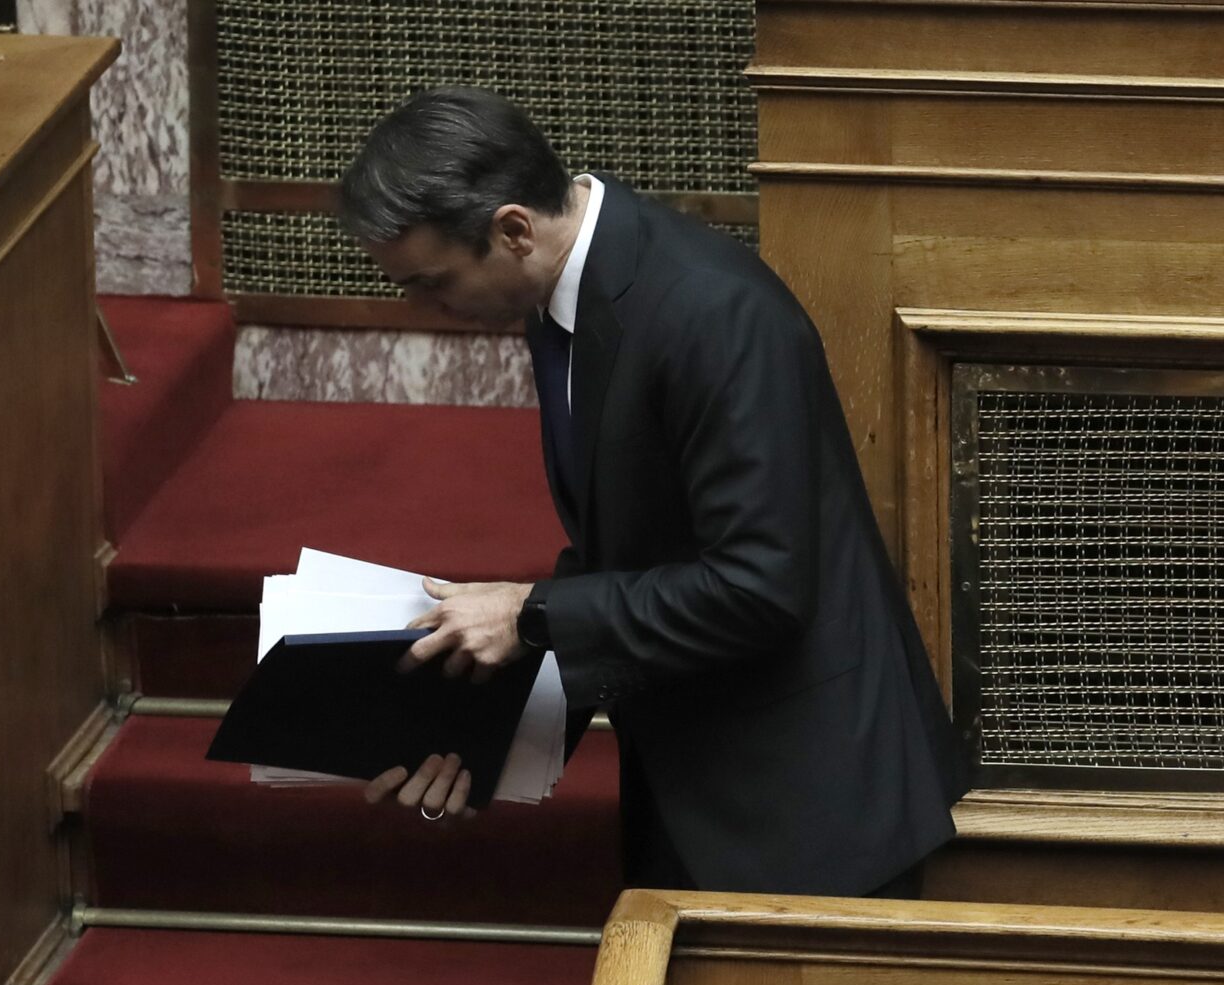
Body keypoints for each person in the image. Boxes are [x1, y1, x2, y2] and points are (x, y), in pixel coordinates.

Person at [337, 89, 965, 897]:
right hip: (693, 777)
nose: (425, 308)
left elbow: (759, 587)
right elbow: (629, 547)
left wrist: (530, 614)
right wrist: (485, 731)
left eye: (433, 281)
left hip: (807, 806)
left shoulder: (712, 312)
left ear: (514, 230)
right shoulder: (561, 295)